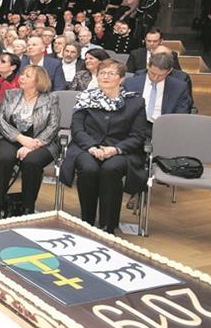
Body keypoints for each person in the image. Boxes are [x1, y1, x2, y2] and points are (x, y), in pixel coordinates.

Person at [59, 60, 149, 234]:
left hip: (121, 150)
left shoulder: (135, 103)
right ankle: (87, 221)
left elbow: (137, 136)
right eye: (102, 73)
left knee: (111, 169)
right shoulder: (85, 98)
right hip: (87, 147)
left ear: (121, 79)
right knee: (89, 168)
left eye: (111, 73)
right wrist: (92, 147)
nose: (105, 77)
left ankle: (109, 225)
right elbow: (77, 129)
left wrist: (115, 149)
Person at [0, 65, 60, 219]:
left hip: (41, 141)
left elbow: (53, 126)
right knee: (5, 158)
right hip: (9, 137)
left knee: (31, 162)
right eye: (22, 74)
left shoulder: (50, 99)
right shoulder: (11, 94)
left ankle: (28, 208)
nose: (21, 77)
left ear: (38, 81)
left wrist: (34, 144)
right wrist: (20, 138)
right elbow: (0, 120)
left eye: (27, 76)